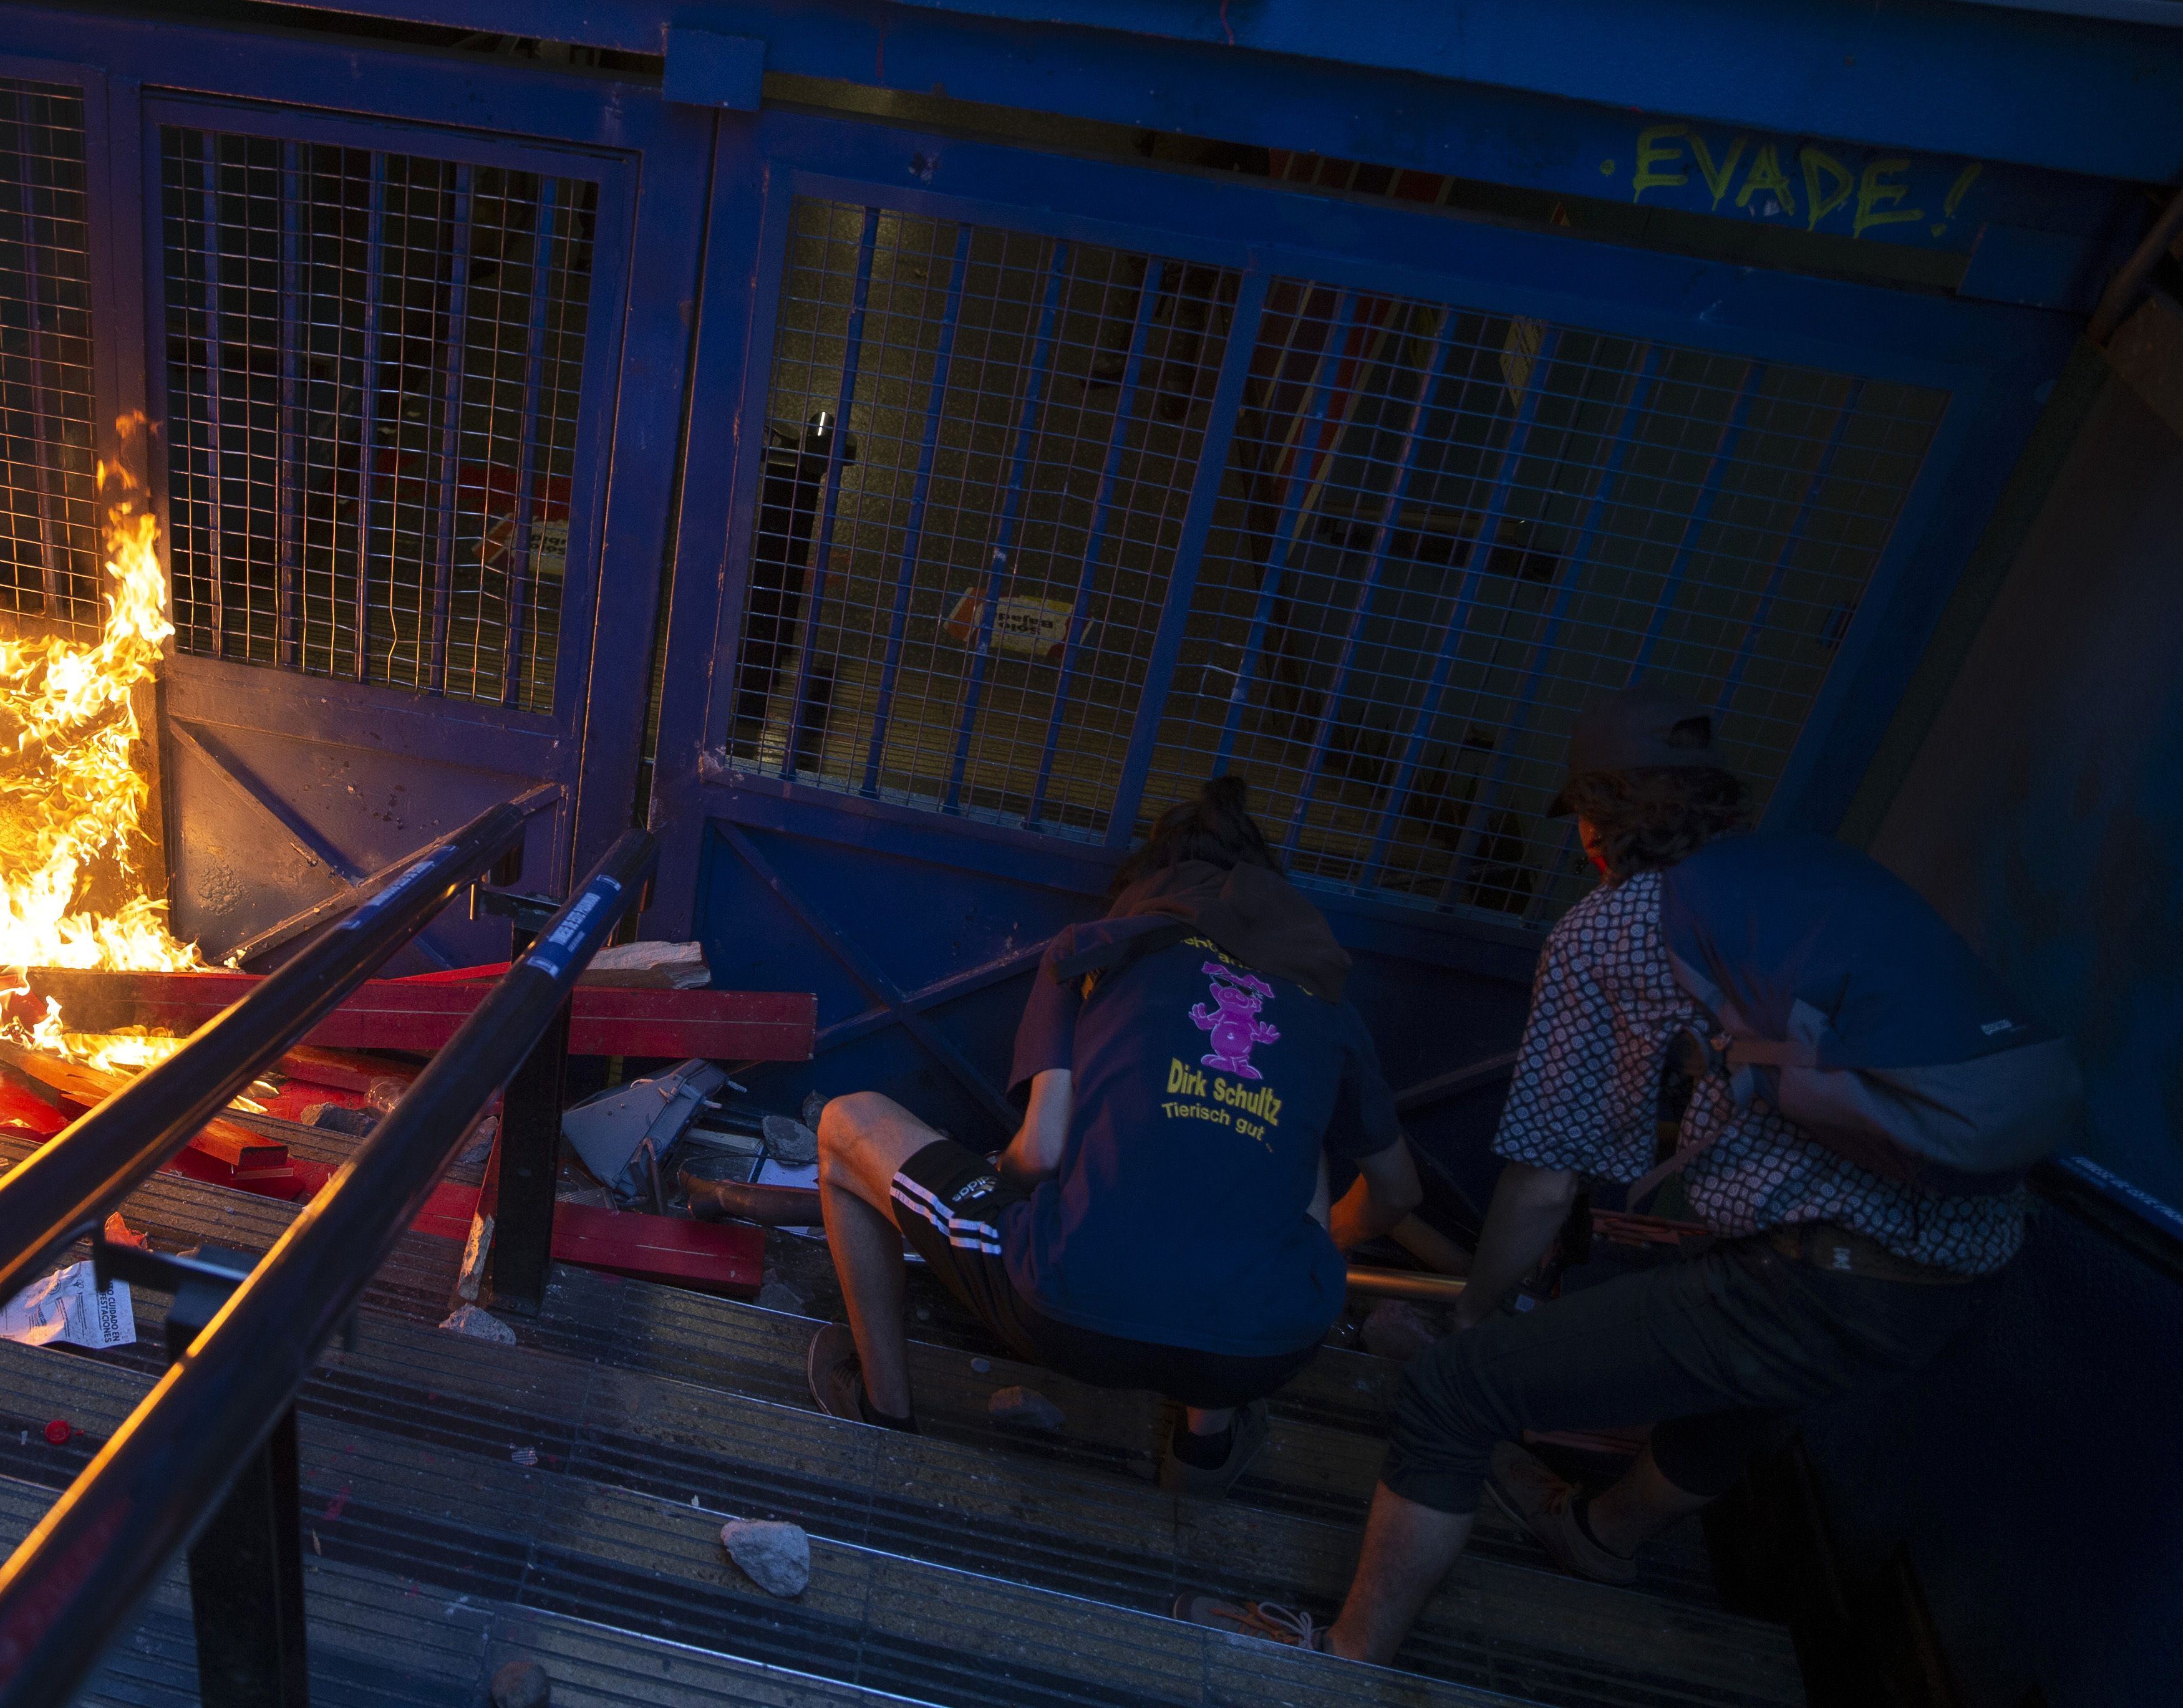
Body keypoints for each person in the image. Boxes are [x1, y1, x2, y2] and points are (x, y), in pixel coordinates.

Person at [1173, 685, 2035, 1658]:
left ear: (1597, 827)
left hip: (1820, 1276)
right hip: (1972, 1257)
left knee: (1456, 1393)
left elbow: (1548, 1179)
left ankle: (1342, 1660)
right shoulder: (1819, 872)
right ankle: (1600, 1535)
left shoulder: (1617, 925)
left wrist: (1471, 1318)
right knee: (1751, 1378)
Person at [692, 774, 1420, 1493]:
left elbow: (1040, 1154)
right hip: (1273, 1343)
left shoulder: (1098, 948)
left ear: (1153, 881)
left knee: (848, 1126)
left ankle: (884, 1410)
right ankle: (1206, 1451)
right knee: (1269, 1158)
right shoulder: (1324, 1005)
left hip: (1073, 1305)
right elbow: (1396, 1193)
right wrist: (1300, 1252)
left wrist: (994, 1180)